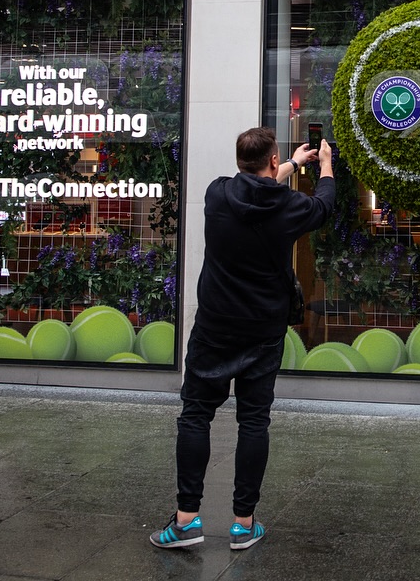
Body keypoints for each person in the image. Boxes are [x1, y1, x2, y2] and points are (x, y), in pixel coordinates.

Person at [151, 127, 334, 552]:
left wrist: (292, 163)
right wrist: (322, 165)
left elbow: (256, 187)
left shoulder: (217, 195)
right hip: (262, 330)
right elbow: (323, 206)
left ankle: (186, 520)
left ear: (239, 161)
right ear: (272, 162)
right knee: (253, 421)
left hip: (214, 326)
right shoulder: (290, 207)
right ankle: (242, 523)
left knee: (195, 415)